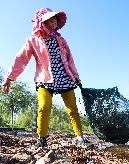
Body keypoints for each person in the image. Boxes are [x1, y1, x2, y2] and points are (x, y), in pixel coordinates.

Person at [1, 8, 89, 148]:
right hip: (45, 79)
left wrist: (76, 76)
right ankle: (42, 139)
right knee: (43, 107)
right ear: (42, 21)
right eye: (51, 18)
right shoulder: (33, 41)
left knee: (72, 108)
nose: (54, 21)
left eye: (55, 18)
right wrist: (9, 77)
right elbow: (21, 59)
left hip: (64, 77)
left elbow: (70, 60)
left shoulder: (61, 40)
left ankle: (80, 137)